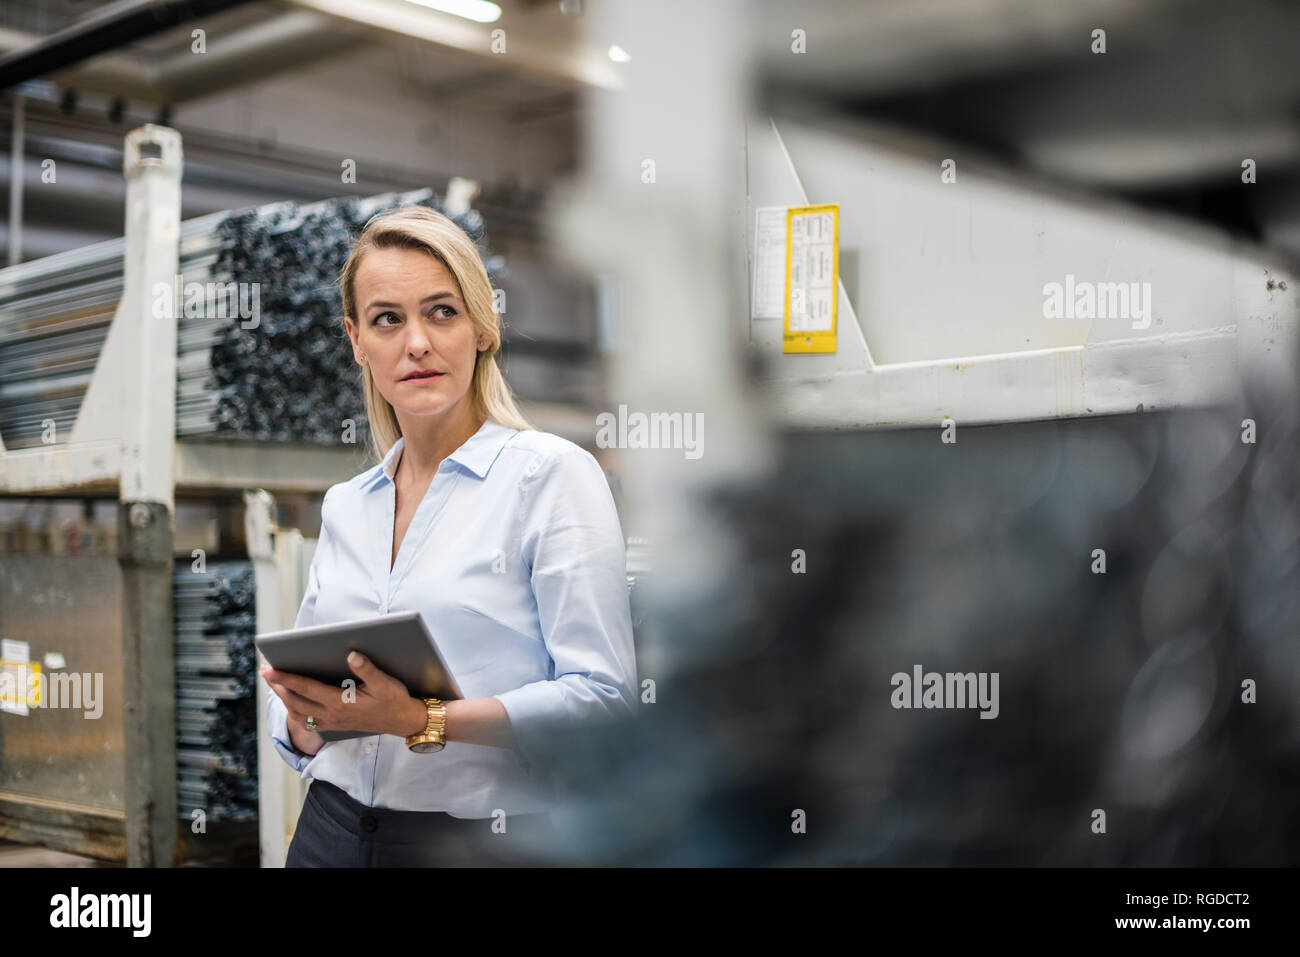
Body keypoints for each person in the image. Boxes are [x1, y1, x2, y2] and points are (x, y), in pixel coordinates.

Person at [260, 205, 638, 867]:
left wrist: (419, 719)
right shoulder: (349, 505)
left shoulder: (549, 477)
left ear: (481, 327)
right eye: (387, 319)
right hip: (328, 832)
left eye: (441, 311)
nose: (416, 343)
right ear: (356, 339)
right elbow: (294, 699)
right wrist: (303, 715)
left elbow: (602, 699)